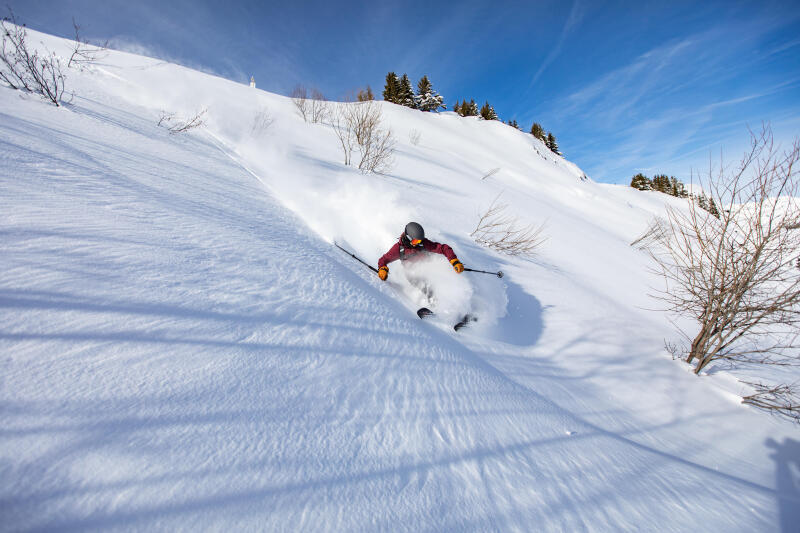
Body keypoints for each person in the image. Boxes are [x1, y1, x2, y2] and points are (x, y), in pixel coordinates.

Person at [377, 222, 464, 285]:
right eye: (416, 241)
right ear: (408, 237)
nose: (418, 243)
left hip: (428, 267)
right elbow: (383, 260)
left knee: (440, 279)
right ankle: (431, 301)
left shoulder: (423, 243)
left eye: (420, 240)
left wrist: (454, 261)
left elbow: (443, 248)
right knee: (418, 281)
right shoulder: (398, 249)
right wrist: (382, 269)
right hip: (412, 273)